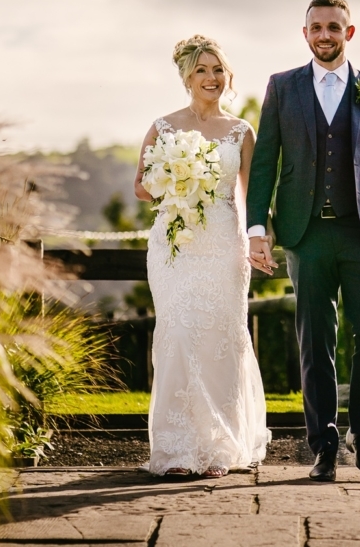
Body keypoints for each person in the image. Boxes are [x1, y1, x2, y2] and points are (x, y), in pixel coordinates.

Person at [246, 0, 360, 481]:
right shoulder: (282, 87)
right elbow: (264, 165)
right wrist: (259, 227)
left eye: (334, 27)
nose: (325, 35)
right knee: (315, 342)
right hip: (306, 233)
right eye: (316, 27)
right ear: (305, 33)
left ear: (349, 33)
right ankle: (323, 444)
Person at [133, 36, 271, 478]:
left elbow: (253, 196)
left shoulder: (241, 131)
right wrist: (172, 176)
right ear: (186, 78)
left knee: (219, 340)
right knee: (176, 336)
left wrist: (258, 239)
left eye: (218, 70)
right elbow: (140, 186)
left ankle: (218, 448)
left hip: (224, 247)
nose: (211, 78)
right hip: (175, 247)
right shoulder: (163, 127)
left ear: (228, 76)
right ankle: (176, 448)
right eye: (201, 71)